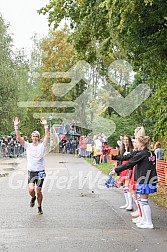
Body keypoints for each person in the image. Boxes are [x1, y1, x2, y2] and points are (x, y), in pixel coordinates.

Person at [113, 136, 158, 229]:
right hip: (148, 178)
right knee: (142, 201)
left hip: (145, 179)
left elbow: (130, 163)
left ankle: (148, 222)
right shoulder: (150, 153)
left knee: (144, 201)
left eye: (136, 142)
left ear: (141, 144)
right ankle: (144, 220)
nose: (135, 144)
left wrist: (117, 169)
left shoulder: (143, 154)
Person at [13, 116, 49, 215]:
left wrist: (46, 125)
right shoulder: (27, 145)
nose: (35, 138)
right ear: (31, 137)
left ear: (38, 138)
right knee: (31, 190)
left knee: (38, 191)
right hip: (31, 171)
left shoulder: (42, 146)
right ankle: (33, 198)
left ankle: (39, 207)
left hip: (40, 171)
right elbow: (18, 138)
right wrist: (16, 126)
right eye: (33, 136)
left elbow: (46, 136)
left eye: (36, 136)